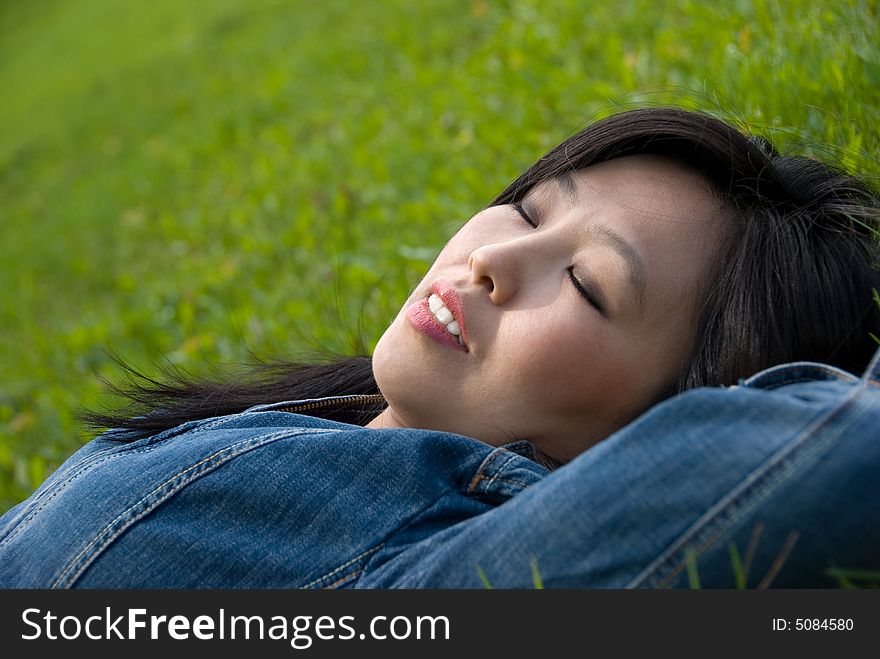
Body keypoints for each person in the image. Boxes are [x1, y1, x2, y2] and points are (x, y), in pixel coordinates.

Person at [0, 107, 877, 588]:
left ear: (661, 435)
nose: (492, 257)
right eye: (534, 210)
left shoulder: (438, 579)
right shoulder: (319, 432)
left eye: (586, 284)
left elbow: (846, 451)